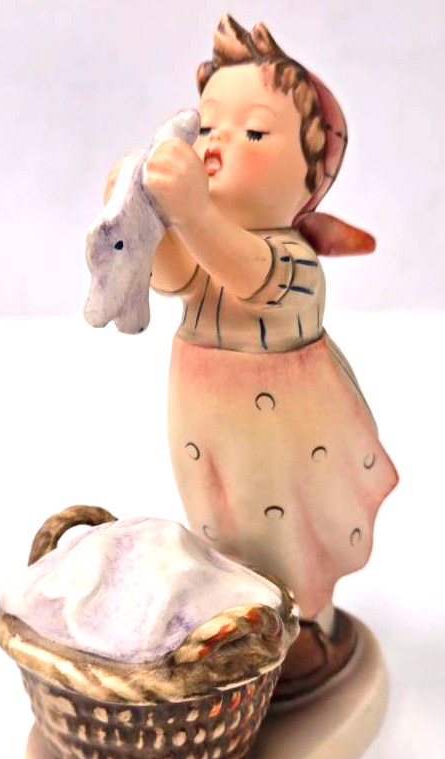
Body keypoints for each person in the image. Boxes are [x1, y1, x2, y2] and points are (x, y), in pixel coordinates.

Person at [105, 16, 398, 657]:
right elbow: (171, 271)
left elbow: (247, 273)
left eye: (254, 131)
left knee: (287, 540)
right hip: (209, 433)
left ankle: (306, 630)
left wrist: (192, 210)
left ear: (309, 177)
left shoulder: (294, 261)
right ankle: (244, 623)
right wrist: (133, 215)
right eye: (208, 127)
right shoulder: (203, 240)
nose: (215, 145)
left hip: (288, 446)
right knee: (225, 536)